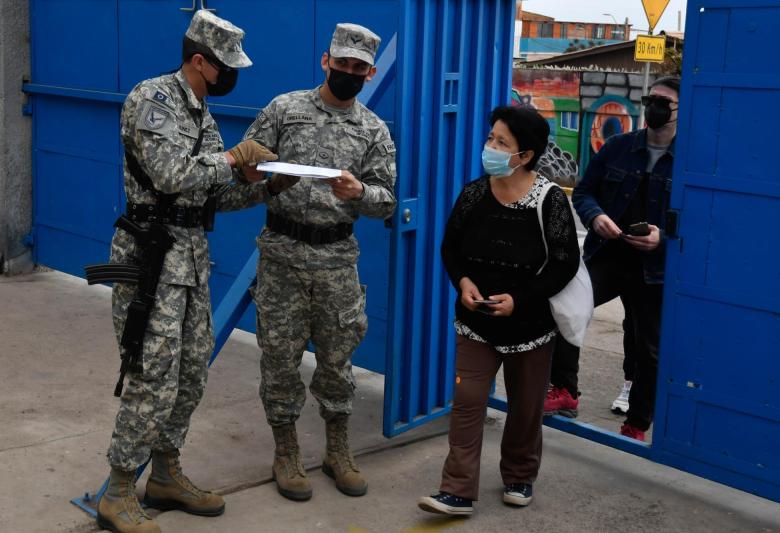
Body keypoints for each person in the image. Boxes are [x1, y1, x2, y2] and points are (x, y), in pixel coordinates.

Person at [97, 10, 275, 533]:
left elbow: (212, 192)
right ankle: (119, 488)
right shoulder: (152, 100)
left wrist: (266, 187)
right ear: (200, 60)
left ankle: (167, 474)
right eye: (226, 67)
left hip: (190, 258)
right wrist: (232, 156)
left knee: (191, 371)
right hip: (150, 260)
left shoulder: (202, 113)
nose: (231, 77)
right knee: (151, 374)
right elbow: (172, 174)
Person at [241, 23, 397, 502]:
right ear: (325, 61)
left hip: (336, 259)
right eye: (341, 63)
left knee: (337, 359)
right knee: (281, 359)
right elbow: (244, 168)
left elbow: (387, 200)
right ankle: (286, 452)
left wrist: (360, 192)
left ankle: (338, 450)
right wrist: (267, 182)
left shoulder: (373, 129)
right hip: (283, 256)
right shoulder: (283, 110)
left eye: (358, 67)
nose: (348, 72)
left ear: (369, 73)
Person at [418, 106, 580, 515]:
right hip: (476, 322)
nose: (489, 147)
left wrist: (520, 300)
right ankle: (456, 489)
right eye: (491, 138)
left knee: (526, 407)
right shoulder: (474, 193)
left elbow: (565, 262)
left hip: (530, 325)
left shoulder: (550, 201)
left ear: (524, 155)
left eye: (501, 142)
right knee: (468, 400)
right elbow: (451, 248)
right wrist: (464, 283)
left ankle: (519, 476)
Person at [544, 76, 680, 441]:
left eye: (664, 102)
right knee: (564, 308)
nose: (655, 106)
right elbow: (584, 192)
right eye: (652, 99)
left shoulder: (690, 163)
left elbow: (701, 223)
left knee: (648, 348)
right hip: (608, 255)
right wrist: (595, 217)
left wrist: (662, 240)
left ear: (682, 111)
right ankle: (565, 391)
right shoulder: (618, 146)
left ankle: (636, 424)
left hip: (654, 269)